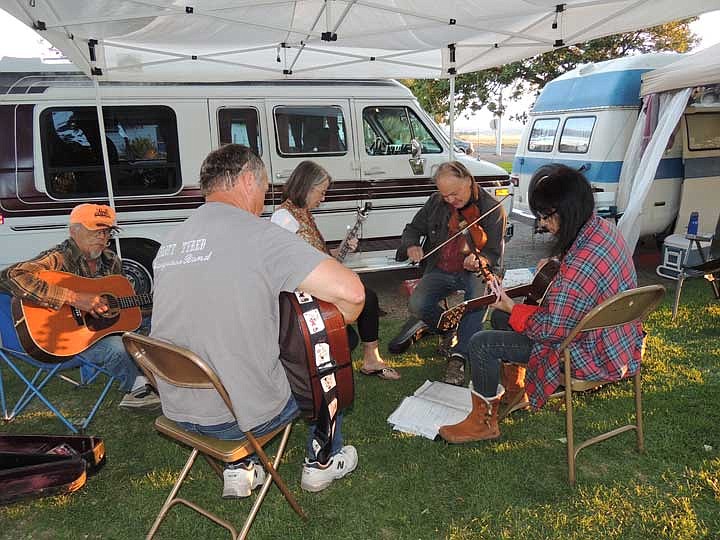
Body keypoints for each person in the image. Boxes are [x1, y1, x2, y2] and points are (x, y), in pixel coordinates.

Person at [150, 144, 365, 497]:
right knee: (324, 359)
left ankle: (239, 467)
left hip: (178, 405)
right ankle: (323, 461)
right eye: (265, 187)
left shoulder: (171, 241)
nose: (266, 198)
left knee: (231, 349)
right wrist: (335, 329)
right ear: (248, 180)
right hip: (235, 417)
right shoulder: (261, 236)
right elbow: (353, 293)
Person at [438, 164, 644, 443]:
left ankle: (483, 422)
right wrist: (557, 265)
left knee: (481, 342)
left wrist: (511, 306)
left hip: (587, 352)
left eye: (546, 217)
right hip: (617, 338)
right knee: (501, 320)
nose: (543, 224)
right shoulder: (602, 230)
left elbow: (549, 330)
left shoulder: (578, 267)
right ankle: (516, 389)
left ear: (566, 211)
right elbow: (582, 288)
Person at [0, 203, 160, 410]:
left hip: (102, 330)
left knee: (158, 324)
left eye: (107, 231)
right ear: (74, 231)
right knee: (117, 348)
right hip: (67, 339)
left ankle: (168, 379)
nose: (102, 237)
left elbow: (122, 308)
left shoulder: (111, 260)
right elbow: (11, 276)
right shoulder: (58, 258)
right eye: (95, 230)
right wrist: (74, 298)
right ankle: (138, 388)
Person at [270, 160, 400, 381]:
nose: (323, 198)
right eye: (321, 192)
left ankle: (370, 359)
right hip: (301, 295)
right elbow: (285, 266)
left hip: (314, 286)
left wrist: (340, 249)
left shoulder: (302, 213)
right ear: (306, 187)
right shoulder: (283, 218)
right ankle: (316, 371)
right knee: (351, 329)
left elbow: (315, 254)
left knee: (367, 299)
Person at [394, 161, 506, 385]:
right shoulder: (436, 202)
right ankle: (448, 326)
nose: (450, 201)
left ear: (468, 180)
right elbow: (412, 229)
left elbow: (493, 252)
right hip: (441, 267)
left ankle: (459, 356)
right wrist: (411, 245)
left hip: (474, 271)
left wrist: (480, 258)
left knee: (475, 302)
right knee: (417, 304)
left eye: (455, 194)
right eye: (445, 196)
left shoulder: (492, 208)